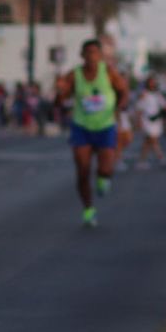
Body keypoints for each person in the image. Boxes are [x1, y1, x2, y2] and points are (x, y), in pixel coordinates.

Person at [54, 38, 130, 228]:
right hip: (81, 126)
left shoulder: (109, 73)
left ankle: (103, 179)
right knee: (82, 170)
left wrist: (120, 106)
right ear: (82, 55)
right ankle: (88, 209)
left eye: (95, 53)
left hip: (105, 126)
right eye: (87, 53)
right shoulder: (74, 75)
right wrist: (60, 92)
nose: (91, 57)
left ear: (101, 56)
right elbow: (60, 100)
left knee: (106, 168)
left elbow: (123, 91)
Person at [132, 74, 166, 168]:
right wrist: (138, 121)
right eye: (150, 82)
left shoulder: (157, 94)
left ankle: (141, 161)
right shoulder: (144, 94)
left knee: (148, 142)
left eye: (153, 82)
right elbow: (139, 108)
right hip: (147, 121)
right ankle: (161, 158)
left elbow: (165, 106)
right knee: (153, 139)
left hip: (156, 121)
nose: (152, 84)